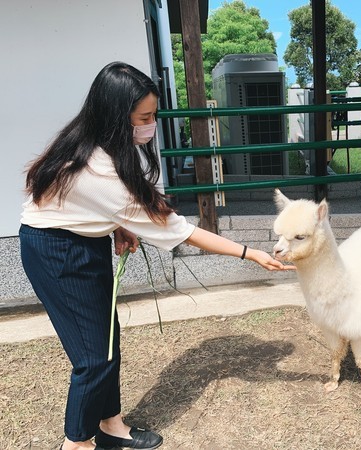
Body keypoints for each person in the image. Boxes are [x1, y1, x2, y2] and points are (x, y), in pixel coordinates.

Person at [19, 61, 294, 450]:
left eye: (153, 114)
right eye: (144, 117)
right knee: (92, 359)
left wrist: (117, 225)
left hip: (80, 241)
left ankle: (111, 425)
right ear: (117, 117)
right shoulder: (98, 171)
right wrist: (250, 254)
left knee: (106, 341)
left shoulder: (93, 144)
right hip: (55, 252)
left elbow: (83, 204)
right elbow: (179, 230)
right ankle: (77, 443)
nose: (150, 124)